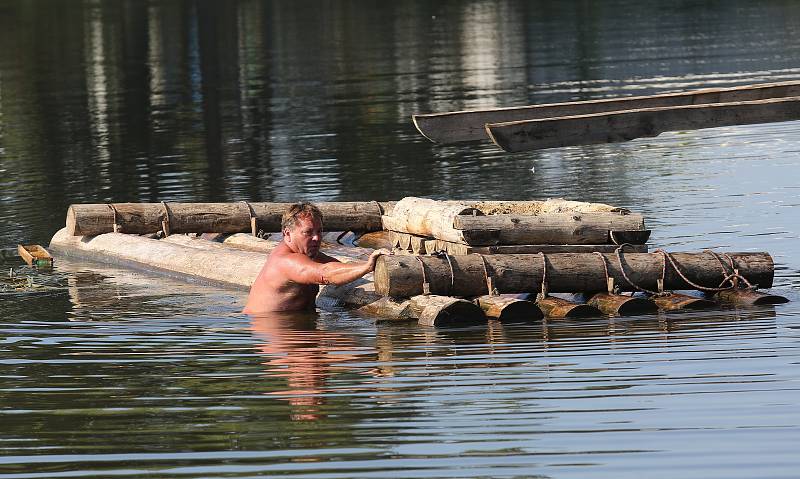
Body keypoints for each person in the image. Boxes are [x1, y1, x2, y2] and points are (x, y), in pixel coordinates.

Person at [243, 202, 389, 313]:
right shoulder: (286, 261)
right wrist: (367, 266)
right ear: (287, 234)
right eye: (308, 232)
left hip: (299, 328)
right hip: (282, 338)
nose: (317, 238)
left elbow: (336, 266)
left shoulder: (307, 253)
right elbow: (325, 274)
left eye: (319, 231)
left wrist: (375, 266)